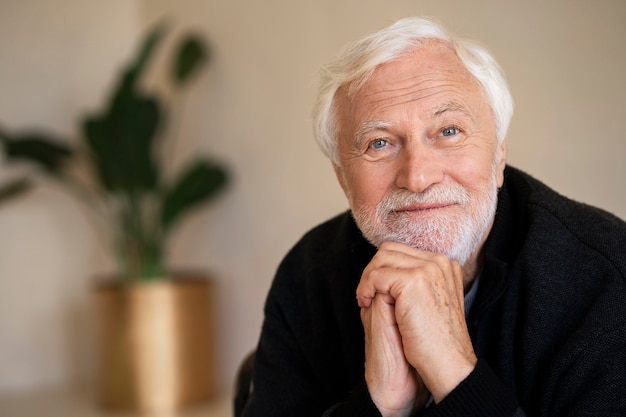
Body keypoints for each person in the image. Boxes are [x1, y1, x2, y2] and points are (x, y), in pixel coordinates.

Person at [240, 17, 626, 417]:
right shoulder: (309, 274)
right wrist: (380, 407)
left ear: (498, 155)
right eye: (379, 142)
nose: (418, 177)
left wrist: (457, 377)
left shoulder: (607, 281)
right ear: (343, 178)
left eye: (449, 131)